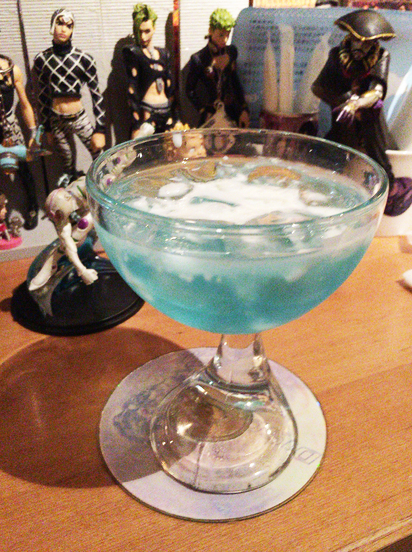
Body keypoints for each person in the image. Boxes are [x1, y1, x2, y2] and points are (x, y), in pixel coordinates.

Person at [311, 9, 402, 215]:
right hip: (342, 113)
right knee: (336, 151)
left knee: (378, 153)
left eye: (367, 42)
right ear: (350, 38)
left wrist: (358, 103)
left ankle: (388, 195)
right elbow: (318, 87)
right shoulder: (336, 56)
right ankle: (329, 194)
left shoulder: (381, 56)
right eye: (357, 40)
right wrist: (343, 100)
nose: (361, 46)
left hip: (370, 114)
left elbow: (377, 91)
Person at [33, 9, 106, 186]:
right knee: (66, 164)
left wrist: (100, 129)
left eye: (69, 25)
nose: (63, 29)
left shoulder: (83, 59)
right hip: (56, 120)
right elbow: (43, 96)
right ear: (52, 25)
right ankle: (71, 194)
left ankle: (105, 188)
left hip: (79, 118)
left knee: (100, 157)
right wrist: (46, 127)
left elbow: (97, 95)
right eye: (59, 23)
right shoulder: (42, 59)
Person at [28, 175, 97, 292]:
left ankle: (51, 263)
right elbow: (67, 242)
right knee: (73, 235)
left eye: (60, 215)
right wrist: (82, 270)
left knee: (86, 222)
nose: (60, 218)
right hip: (90, 207)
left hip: (103, 204)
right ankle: (51, 264)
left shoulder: (87, 187)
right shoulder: (62, 205)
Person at [185, 8, 249, 129]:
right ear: (210, 31)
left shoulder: (231, 52)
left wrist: (243, 108)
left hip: (231, 111)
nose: (225, 39)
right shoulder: (199, 58)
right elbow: (189, 90)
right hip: (211, 112)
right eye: (221, 35)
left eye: (227, 35)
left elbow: (235, 83)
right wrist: (202, 109)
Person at [122, 4, 178, 138]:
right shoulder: (133, 53)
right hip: (148, 111)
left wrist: (176, 117)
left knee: (173, 145)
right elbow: (132, 90)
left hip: (166, 109)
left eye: (147, 31)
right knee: (147, 146)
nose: (143, 36)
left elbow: (170, 88)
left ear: (154, 28)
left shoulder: (164, 53)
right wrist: (136, 124)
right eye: (139, 31)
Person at [0, 55, 39, 229]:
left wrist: (33, 132)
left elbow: (24, 103)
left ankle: (33, 205)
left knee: (23, 168)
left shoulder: (10, 69)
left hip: (9, 125)